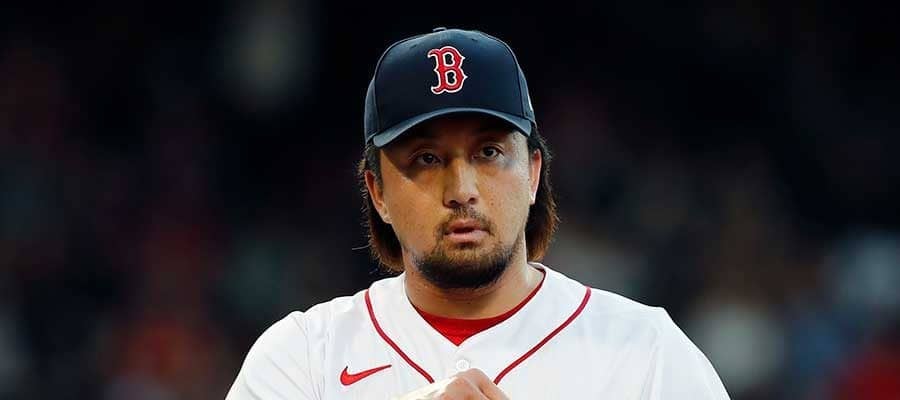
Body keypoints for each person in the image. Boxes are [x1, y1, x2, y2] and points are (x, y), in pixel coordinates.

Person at [226, 27, 730, 399]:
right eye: (426, 159)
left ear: (533, 173)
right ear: (377, 192)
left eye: (489, 152)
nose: (462, 190)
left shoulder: (645, 352)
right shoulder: (304, 358)